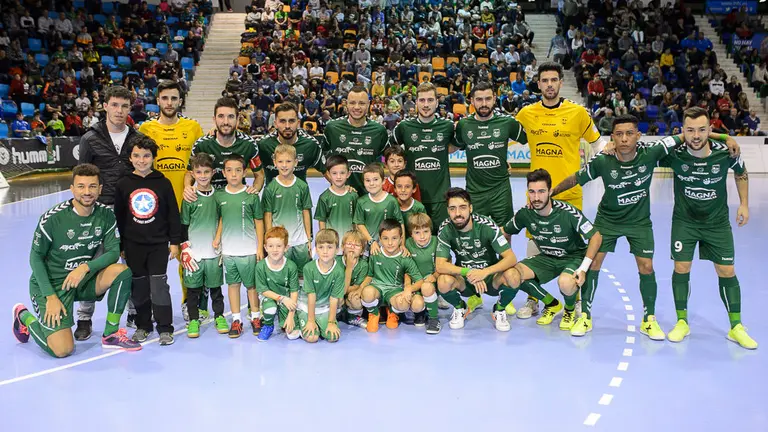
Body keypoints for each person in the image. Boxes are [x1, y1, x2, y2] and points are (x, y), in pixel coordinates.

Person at [551, 115, 740, 337]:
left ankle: (648, 319)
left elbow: (687, 134)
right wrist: (551, 193)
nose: (624, 139)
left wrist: (726, 136)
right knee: (594, 264)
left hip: (639, 222)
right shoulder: (603, 160)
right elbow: (576, 178)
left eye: (629, 133)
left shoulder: (651, 152)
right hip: (608, 220)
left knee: (646, 267)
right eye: (619, 134)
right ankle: (586, 317)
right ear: (612, 137)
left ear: (638, 136)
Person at [12, 164, 141, 357]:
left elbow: (114, 252)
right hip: (53, 285)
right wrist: (51, 297)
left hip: (81, 279)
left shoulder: (106, 215)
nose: (87, 192)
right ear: (71, 189)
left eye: (92, 186)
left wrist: (85, 268)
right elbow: (36, 258)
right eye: (81, 186)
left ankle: (111, 334)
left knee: (122, 272)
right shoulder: (53, 219)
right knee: (62, 350)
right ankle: (25, 318)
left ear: (100, 189)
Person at [513, 61, 606, 320]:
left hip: (569, 194)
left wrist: (592, 172)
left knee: (571, 250)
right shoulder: (526, 114)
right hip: (537, 195)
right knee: (535, 245)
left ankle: (572, 299)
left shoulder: (578, 113)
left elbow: (599, 145)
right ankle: (533, 300)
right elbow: (505, 138)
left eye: (554, 80)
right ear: (539, 84)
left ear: (560, 83)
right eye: (545, 81)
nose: (550, 85)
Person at [658, 107, 756, 349]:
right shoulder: (675, 154)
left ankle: (736, 326)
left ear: (710, 130)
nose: (696, 135)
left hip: (717, 223)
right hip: (685, 221)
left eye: (702, 130)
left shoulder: (726, 152)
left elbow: (741, 173)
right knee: (681, 267)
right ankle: (682, 322)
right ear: (682, 131)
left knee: (727, 270)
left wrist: (744, 204)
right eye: (690, 130)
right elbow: (653, 150)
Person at [76, 85, 144, 340]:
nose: (119, 110)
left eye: (124, 106)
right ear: (105, 106)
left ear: (130, 109)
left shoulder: (136, 138)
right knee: (92, 261)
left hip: (130, 211)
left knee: (132, 262)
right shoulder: (89, 138)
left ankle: (134, 312)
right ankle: (84, 317)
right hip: (99, 212)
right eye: (114, 105)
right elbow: (83, 176)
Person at [502, 169, 603, 331]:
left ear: (550, 191)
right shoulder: (525, 213)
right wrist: (505, 260)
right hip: (547, 258)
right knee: (510, 274)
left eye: (541, 192)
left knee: (565, 282)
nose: (536, 197)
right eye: (532, 192)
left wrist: (584, 268)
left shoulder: (567, 212)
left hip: (573, 257)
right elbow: (504, 232)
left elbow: (596, 237)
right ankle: (552, 303)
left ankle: (569, 309)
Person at [138, 80, 204, 322]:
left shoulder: (193, 128)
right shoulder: (146, 129)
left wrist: (189, 186)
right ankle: (153, 305)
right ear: (157, 100)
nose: (169, 103)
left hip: (186, 205)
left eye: (173, 98)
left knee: (186, 258)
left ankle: (189, 302)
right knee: (154, 260)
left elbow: (198, 165)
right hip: (154, 208)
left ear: (180, 101)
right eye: (164, 98)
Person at [114, 135, 181, 345]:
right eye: (137, 156)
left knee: (159, 285)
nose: (141, 160)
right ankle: (143, 325)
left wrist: (175, 241)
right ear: (130, 158)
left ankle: (165, 327)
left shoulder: (162, 182)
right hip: (133, 245)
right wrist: (122, 245)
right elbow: (120, 216)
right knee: (139, 287)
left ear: (153, 157)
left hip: (158, 245)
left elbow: (172, 214)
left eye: (146, 156)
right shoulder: (124, 183)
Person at [435, 187, 520, 331]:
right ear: (448, 210)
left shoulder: (487, 226)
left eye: (462, 207)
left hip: (490, 279)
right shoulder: (445, 228)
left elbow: (511, 258)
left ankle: (499, 309)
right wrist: (468, 271)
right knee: (443, 281)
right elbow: (440, 265)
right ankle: (460, 307)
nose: (457, 213)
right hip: (465, 280)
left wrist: (484, 272)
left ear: (470, 208)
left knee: (513, 275)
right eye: (452, 209)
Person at [454, 80, 527, 227]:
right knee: (476, 235)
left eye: (488, 99)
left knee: (505, 234)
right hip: (475, 191)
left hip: (501, 191)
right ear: (472, 101)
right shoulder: (463, 125)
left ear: (495, 98)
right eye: (479, 99)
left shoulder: (507, 123)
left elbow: (530, 139)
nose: (484, 103)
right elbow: (452, 147)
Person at [390, 82, 460, 232]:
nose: (426, 104)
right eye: (422, 100)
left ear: (437, 102)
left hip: (440, 198)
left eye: (430, 100)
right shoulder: (404, 127)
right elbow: (388, 152)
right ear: (416, 103)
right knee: (412, 243)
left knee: (441, 242)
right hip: (411, 197)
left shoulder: (447, 126)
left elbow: (456, 146)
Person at [213, 155, 265, 338]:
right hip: (228, 252)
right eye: (229, 170)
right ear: (223, 173)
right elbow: (221, 218)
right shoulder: (219, 196)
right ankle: (236, 319)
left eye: (237, 170)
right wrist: (218, 237)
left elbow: (259, 221)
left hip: (249, 250)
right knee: (233, 285)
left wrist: (260, 247)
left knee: (251, 286)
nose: (233, 174)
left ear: (244, 172)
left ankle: (256, 317)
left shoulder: (251, 195)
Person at [180, 153, 228, 338]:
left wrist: (221, 242)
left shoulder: (218, 196)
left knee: (216, 289)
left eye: (206, 172)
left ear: (213, 172)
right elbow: (183, 224)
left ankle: (219, 316)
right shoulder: (189, 197)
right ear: (192, 173)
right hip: (194, 254)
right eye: (198, 172)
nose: (202, 175)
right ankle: (193, 320)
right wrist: (185, 249)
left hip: (214, 251)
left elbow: (223, 219)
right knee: (193, 290)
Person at [183, 97, 264, 196]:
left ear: (237, 120)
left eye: (230, 116)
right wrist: (187, 188)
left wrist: (253, 193)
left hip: (237, 202)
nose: (226, 122)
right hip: (210, 202)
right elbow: (189, 173)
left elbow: (259, 175)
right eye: (221, 116)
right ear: (214, 119)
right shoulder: (201, 145)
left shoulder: (249, 144)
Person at [360, 219, 425, 332]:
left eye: (394, 238)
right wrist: (360, 289)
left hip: (394, 292)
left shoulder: (405, 257)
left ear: (401, 239)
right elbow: (369, 275)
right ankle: (374, 314)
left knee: (403, 303)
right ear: (380, 239)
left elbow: (419, 281)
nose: (390, 243)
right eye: (385, 238)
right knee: (367, 293)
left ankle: (393, 313)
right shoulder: (375, 253)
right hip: (377, 289)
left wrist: (409, 289)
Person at [323, 85, 389, 195]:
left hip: (370, 196)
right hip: (341, 195)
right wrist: (335, 182)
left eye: (362, 103)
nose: (357, 107)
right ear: (346, 104)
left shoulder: (379, 130)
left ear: (368, 105)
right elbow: (321, 159)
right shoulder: (332, 128)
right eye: (352, 103)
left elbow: (387, 160)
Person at [262, 144, 313, 276]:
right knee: (282, 274)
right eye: (280, 161)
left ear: (295, 162)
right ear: (275, 162)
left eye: (288, 161)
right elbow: (268, 215)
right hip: (280, 242)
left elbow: (305, 212)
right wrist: (269, 238)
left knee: (303, 275)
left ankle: (300, 297)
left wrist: (308, 237)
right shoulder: (270, 188)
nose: (284, 165)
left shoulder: (302, 186)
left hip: (300, 240)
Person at [256, 102, 325, 184]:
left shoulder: (311, 144)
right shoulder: (262, 144)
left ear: (298, 123)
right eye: (282, 121)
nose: (287, 126)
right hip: (271, 195)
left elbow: (327, 171)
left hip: (301, 195)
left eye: (292, 121)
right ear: (275, 124)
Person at [297, 229, 347, 342]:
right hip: (306, 307)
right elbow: (311, 295)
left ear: (337, 249)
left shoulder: (339, 271)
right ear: (316, 249)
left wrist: (331, 322)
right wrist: (310, 320)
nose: (325, 251)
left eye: (329, 247)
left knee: (333, 337)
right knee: (312, 338)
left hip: (324, 308)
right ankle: (298, 319)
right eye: (321, 247)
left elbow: (334, 298)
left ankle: (320, 324)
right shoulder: (309, 268)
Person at [254, 226, 301, 341]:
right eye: (271, 246)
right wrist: (281, 299)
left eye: (279, 246)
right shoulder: (260, 266)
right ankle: (268, 325)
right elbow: (263, 290)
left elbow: (294, 291)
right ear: (265, 247)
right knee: (270, 308)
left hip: (287, 299)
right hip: (270, 297)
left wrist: (291, 315)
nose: (275, 250)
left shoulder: (291, 266)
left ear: (286, 248)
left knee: (292, 335)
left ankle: (284, 316)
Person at [353, 162, 405, 255]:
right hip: (367, 249)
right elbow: (359, 224)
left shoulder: (391, 201)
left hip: (388, 248)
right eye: (368, 180)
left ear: (383, 181)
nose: (372, 183)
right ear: (363, 182)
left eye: (376, 179)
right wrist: (371, 241)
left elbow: (400, 223)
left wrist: (402, 244)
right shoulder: (361, 201)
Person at [405, 212, 441, 334]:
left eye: (425, 231)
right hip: (416, 285)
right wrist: (408, 286)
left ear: (431, 230)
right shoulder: (407, 244)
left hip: (431, 283)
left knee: (426, 287)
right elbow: (406, 269)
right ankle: (421, 312)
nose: (422, 236)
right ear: (411, 234)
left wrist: (435, 276)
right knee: (416, 305)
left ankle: (434, 319)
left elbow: (446, 263)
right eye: (417, 232)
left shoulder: (437, 242)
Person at [314, 155, 356, 251]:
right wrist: (324, 240)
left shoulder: (353, 195)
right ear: (328, 174)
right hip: (332, 244)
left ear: (348, 174)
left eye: (342, 173)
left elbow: (356, 220)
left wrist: (355, 238)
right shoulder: (324, 197)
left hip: (349, 243)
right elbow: (322, 221)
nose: (338, 177)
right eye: (334, 173)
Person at [336, 230, 369, 328]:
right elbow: (339, 291)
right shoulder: (336, 262)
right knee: (338, 298)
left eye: (357, 245)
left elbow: (355, 287)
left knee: (355, 299)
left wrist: (346, 290)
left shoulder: (363, 265)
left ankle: (352, 317)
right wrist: (349, 267)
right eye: (349, 244)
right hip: (337, 295)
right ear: (342, 247)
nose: (352, 247)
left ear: (362, 251)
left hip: (348, 294)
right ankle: (336, 316)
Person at [394, 170, 426, 235]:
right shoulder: (390, 205)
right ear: (395, 189)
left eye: (407, 187)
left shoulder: (419, 208)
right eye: (399, 186)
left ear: (414, 189)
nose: (403, 190)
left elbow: (423, 229)